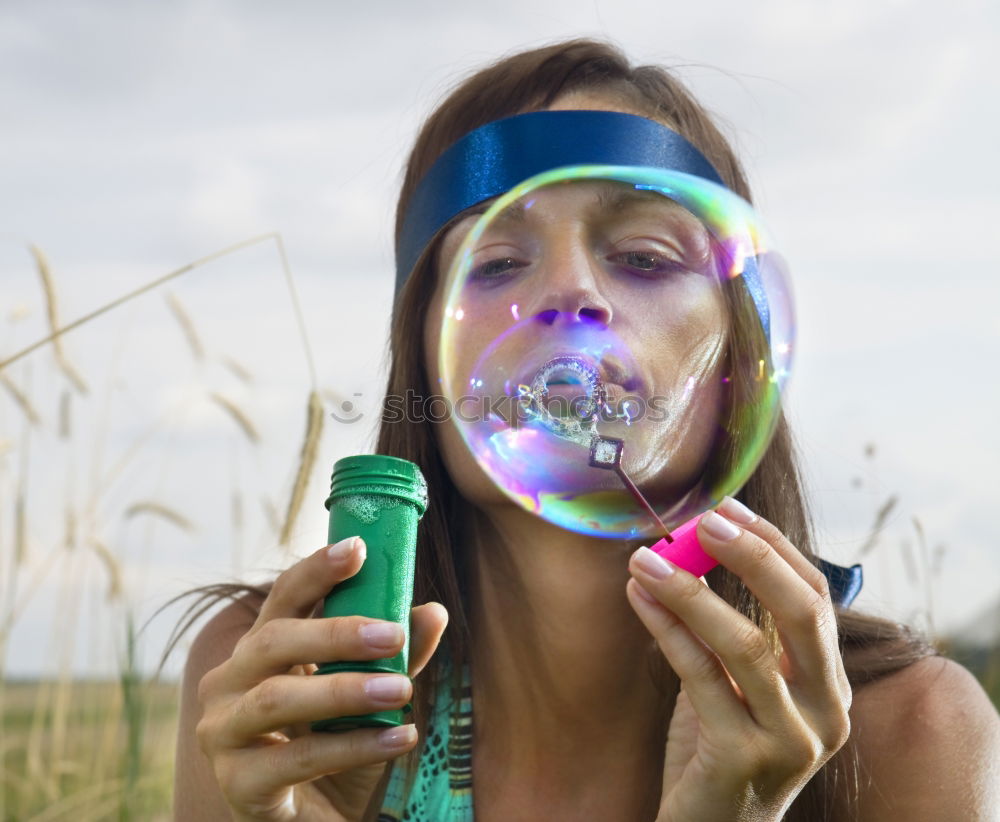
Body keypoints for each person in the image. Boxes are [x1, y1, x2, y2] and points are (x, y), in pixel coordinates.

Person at [171, 39, 1000, 821]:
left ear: (737, 364)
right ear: (423, 360)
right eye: (496, 264)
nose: (568, 292)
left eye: (643, 257)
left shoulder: (913, 733)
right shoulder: (279, 691)